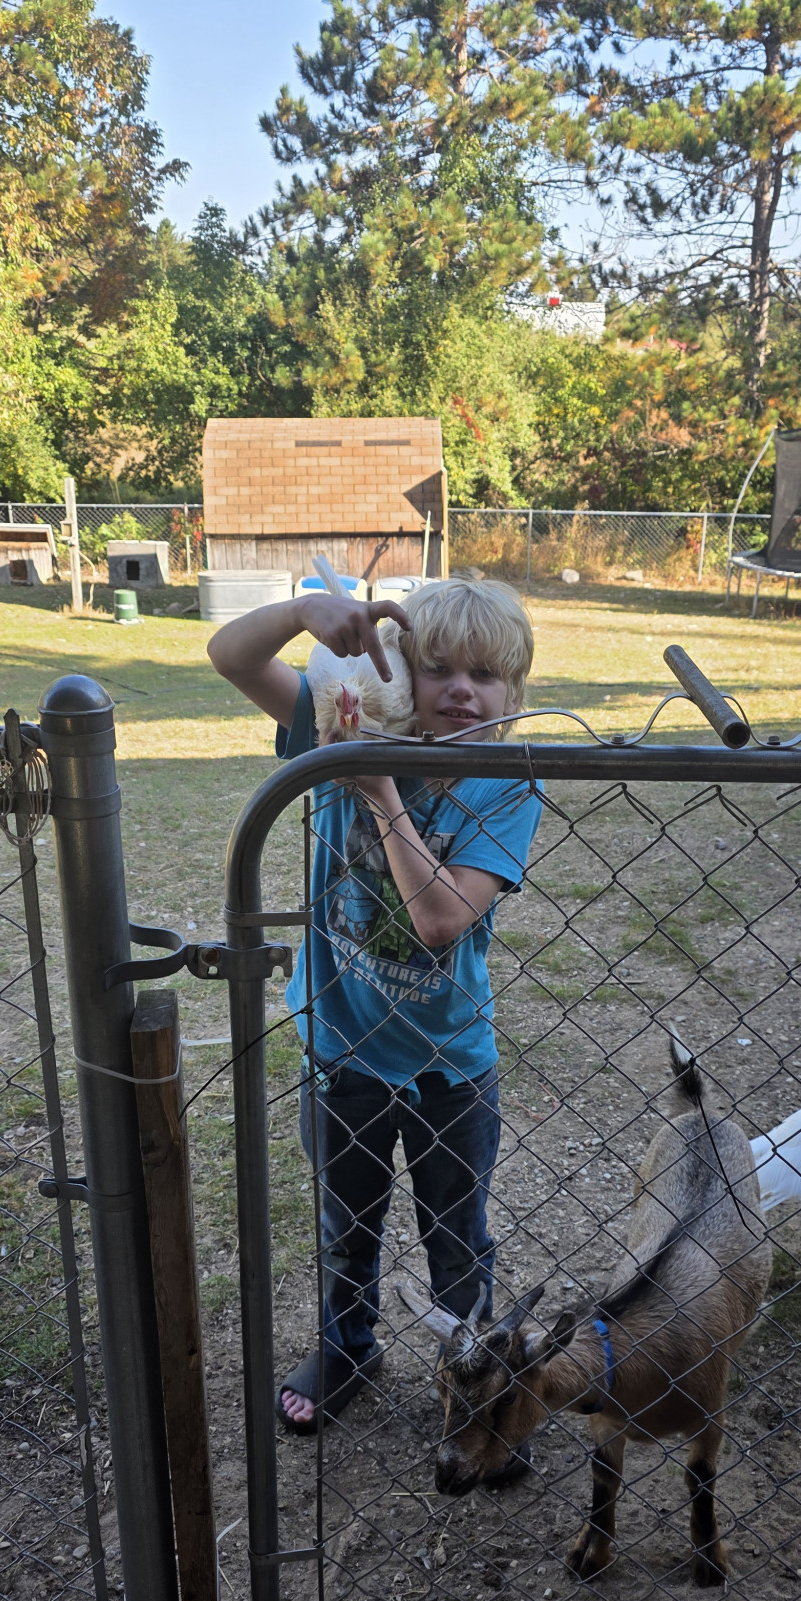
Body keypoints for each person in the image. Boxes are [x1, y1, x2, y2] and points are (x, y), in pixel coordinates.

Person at [207, 577, 541, 1443]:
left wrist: (380, 793)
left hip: (449, 1066)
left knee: (456, 1236)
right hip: (342, 1049)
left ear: (513, 693)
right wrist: (301, 613)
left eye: (486, 675)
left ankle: (473, 1372)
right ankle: (347, 1347)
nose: (462, 690)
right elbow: (229, 656)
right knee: (345, 1228)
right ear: (399, 672)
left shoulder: (505, 787)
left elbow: (439, 920)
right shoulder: (339, 732)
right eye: (438, 669)